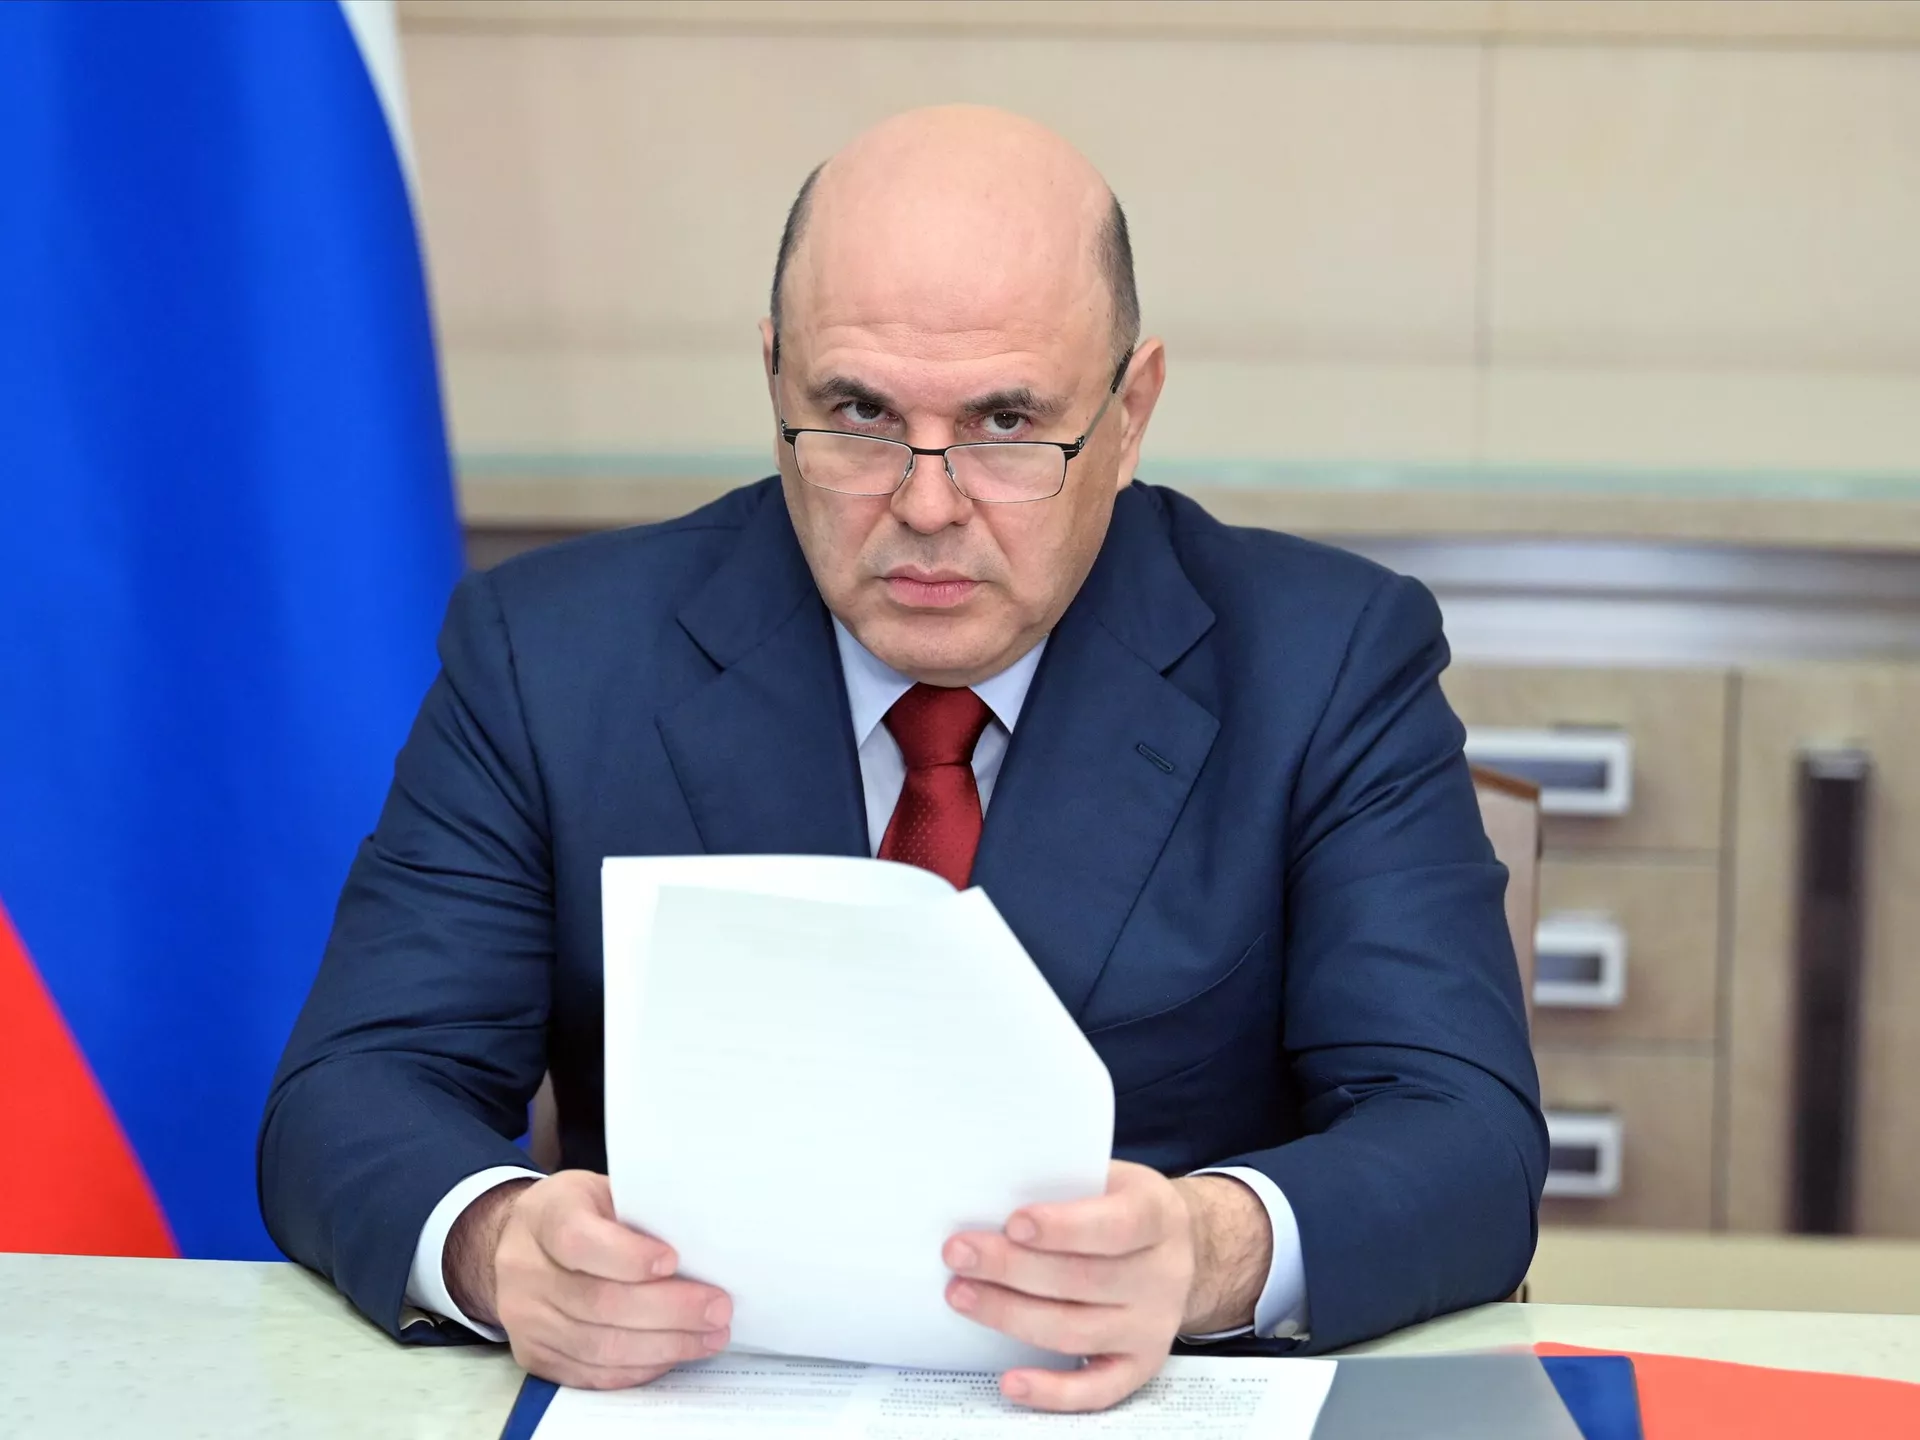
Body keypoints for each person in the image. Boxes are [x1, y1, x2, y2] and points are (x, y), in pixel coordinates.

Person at [260, 105, 1544, 1414]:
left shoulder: (1324, 661)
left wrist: (1212, 1251)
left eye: (1006, 423)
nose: (928, 504)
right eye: (861, 414)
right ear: (775, 380)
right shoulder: (551, 657)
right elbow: (353, 1090)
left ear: (1131, 410)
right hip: (691, 1401)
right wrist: (495, 1245)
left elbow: (1466, 1135)